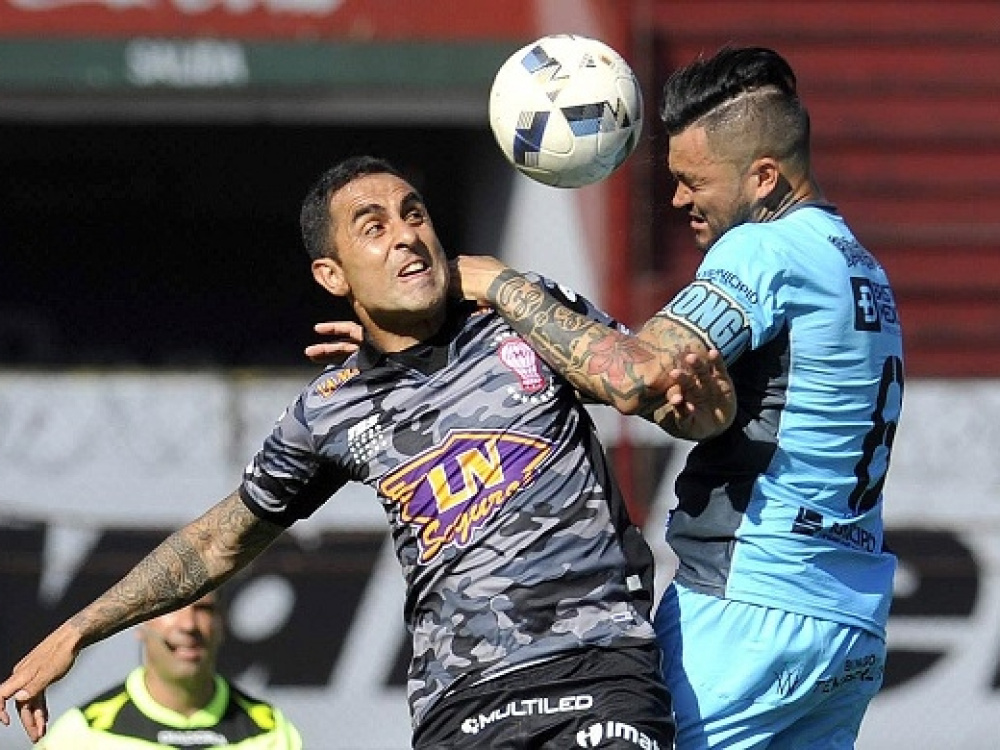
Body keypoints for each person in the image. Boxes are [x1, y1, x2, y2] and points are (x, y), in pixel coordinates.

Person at [2, 155, 729, 748]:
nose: (406, 235)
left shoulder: (518, 314)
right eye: (373, 227)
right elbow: (217, 543)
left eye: (415, 214)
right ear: (334, 275)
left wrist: (503, 282)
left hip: (598, 670)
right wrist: (78, 630)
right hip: (461, 701)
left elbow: (639, 385)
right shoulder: (332, 408)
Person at [450, 46, 904, 749]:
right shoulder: (858, 264)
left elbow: (633, 374)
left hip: (750, 614)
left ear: (763, 177)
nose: (678, 200)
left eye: (694, 181)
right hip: (849, 621)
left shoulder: (765, 251)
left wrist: (499, 286)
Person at [36, 591, 302, 749]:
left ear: (222, 624)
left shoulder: (270, 731)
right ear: (139, 622)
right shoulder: (84, 733)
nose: (188, 625)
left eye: (203, 609)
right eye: (172, 608)